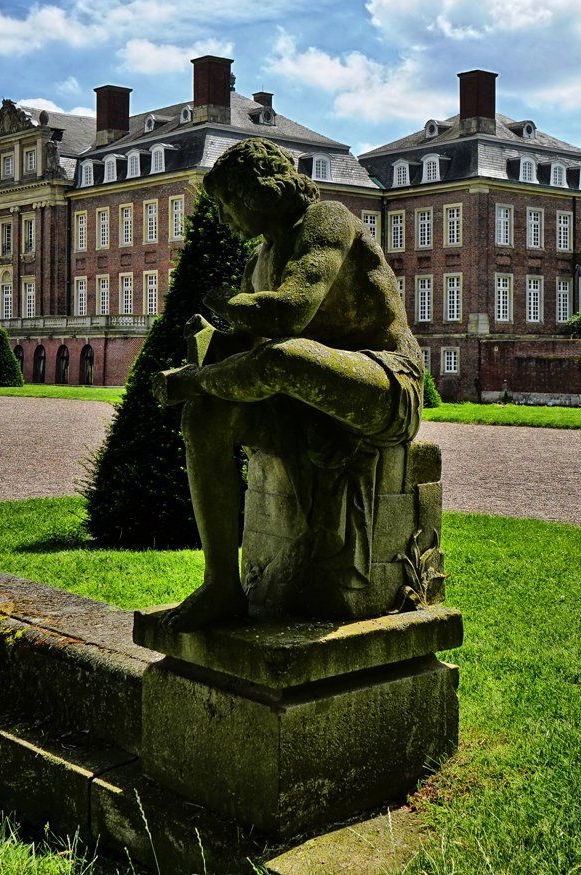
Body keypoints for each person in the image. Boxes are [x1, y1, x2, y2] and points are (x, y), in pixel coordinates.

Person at [153, 139, 424, 630]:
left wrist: (224, 313)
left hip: (383, 379)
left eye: (229, 203)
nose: (227, 219)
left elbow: (290, 311)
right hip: (301, 396)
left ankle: (195, 385)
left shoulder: (328, 219)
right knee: (206, 417)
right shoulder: (259, 259)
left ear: (260, 190)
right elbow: (249, 348)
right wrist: (212, 348)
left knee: (284, 358)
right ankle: (221, 587)